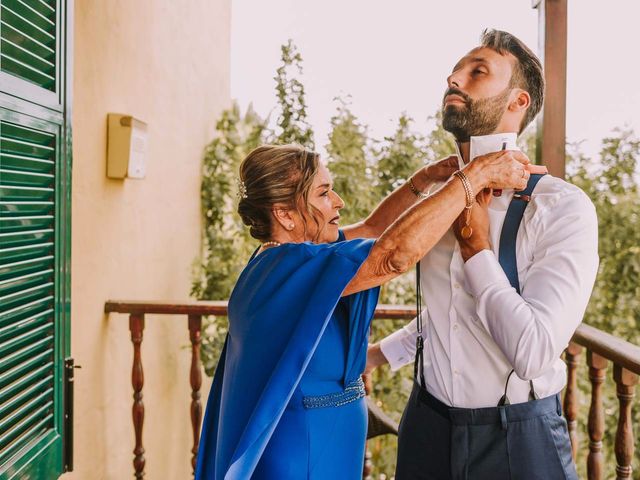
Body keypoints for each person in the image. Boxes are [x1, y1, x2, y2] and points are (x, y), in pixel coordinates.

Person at [194, 142, 530, 479]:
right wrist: (474, 176)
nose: (338, 201)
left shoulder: (295, 257)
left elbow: (373, 230)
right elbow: (391, 255)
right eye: (324, 193)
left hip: (330, 443)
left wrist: (425, 179)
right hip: (305, 454)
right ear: (284, 214)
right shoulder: (287, 270)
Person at [366, 29, 599, 479]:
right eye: (456, 71)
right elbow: (451, 310)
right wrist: (379, 356)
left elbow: (532, 352)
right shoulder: (438, 200)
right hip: (427, 425)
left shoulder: (562, 207)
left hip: (517, 439)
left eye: (478, 71)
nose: (455, 79)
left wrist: (477, 251)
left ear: (518, 102)